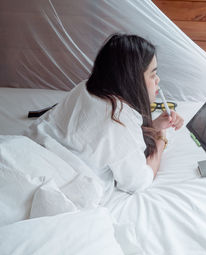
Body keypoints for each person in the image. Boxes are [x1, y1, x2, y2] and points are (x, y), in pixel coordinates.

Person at [24, 33, 184, 199]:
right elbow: (138, 182)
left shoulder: (86, 88)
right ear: (132, 79)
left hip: (28, 148)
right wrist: (160, 140)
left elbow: (102, 136)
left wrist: (153, 126)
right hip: (48, 179)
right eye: (152, 74)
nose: (157, 80)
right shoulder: (118, 121)